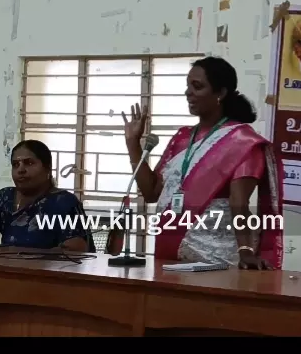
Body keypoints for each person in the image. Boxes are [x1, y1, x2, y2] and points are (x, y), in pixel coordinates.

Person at [122, 56, 284, 270]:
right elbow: (151, 192)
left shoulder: (242, 141)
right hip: (170, 257)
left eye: (197, 86)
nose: (188, 92)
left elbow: (239, 202)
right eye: (188, 85)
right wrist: (132, 143)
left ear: (220, 93)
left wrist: (245, 251)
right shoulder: (182, 138)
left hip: (217, 260)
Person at [0, 140, 93, 252]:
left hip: (50, 264)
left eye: (29, 163)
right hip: (5, 263)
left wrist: (21, 254)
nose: (20, 170)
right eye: (15, 164)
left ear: (48, 168)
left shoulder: (64, 202)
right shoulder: (4, 198)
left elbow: (77, 249)